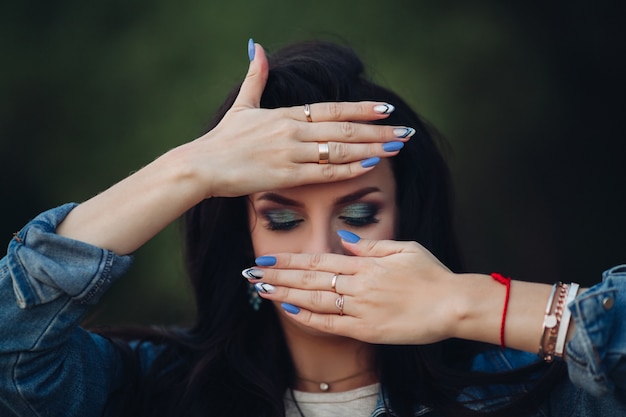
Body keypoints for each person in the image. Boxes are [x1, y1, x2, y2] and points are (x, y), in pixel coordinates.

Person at [0, 39, 623, 417]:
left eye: (358, 216)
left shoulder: (531, 393)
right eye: (281, 218)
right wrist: (188, 169)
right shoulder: (144, 393)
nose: (324, 250)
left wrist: (468, 303)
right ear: (244, 234)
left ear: (408, 219)